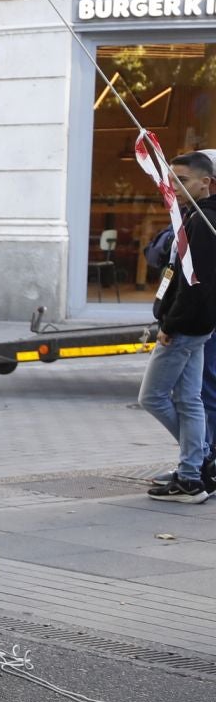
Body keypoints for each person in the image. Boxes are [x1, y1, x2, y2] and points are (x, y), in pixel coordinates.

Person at [140, 151, 216, 502]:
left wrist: (169, 324)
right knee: (189, 399)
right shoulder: (194, 215)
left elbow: (194, 284)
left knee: (153, 397)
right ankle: (191, 474)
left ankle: (198, 462)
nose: (173, 187)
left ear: (206, 183)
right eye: (171, 180)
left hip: (187, 326)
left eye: (181, 180)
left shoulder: (203, 221)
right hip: (195, 325)